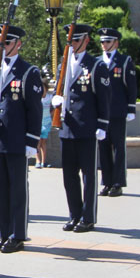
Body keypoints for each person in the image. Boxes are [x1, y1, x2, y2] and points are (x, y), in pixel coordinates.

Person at [0, 24, 42, 253]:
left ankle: (17, 234)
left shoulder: (28, 72)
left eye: (6, 42)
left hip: (16, 139)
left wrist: (31, 142)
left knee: (17, 189)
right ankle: (2, 232)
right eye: (0, 43)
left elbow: (34, 110)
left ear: (18, 44)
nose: (2, 47)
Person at [51, 24, 111, 233]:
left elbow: (104, 98)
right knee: (69, 175)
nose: (72, 45)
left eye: (76, 41)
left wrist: (102, 124)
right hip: (67, 127)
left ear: (85, 40)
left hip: (87, 127)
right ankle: (74, 214)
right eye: (70, 41)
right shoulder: (63, 65)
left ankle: (88, 216)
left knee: (88, 175)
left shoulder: (96, 66)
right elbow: (59, 89)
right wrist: (55, 101)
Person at [96, 28, 137, 197]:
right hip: (101, 113)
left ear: (116, 43)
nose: (104, 45)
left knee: (119, 148)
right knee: (103, 148)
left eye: (107, 41)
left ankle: (118, 183)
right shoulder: (97, 61)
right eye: (102, 42)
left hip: (118, 111)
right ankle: (107, 182)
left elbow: (131, 86)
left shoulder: (124, 61)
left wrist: (131, 108)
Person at [37, 74, 53, 168]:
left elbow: (54, 108)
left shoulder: (49, 97)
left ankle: (44, 161)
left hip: (46, 121)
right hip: (39, 121)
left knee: (43, 142)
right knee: (38, 142)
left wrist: (50, 116)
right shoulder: (37, 97)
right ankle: (38, 161)